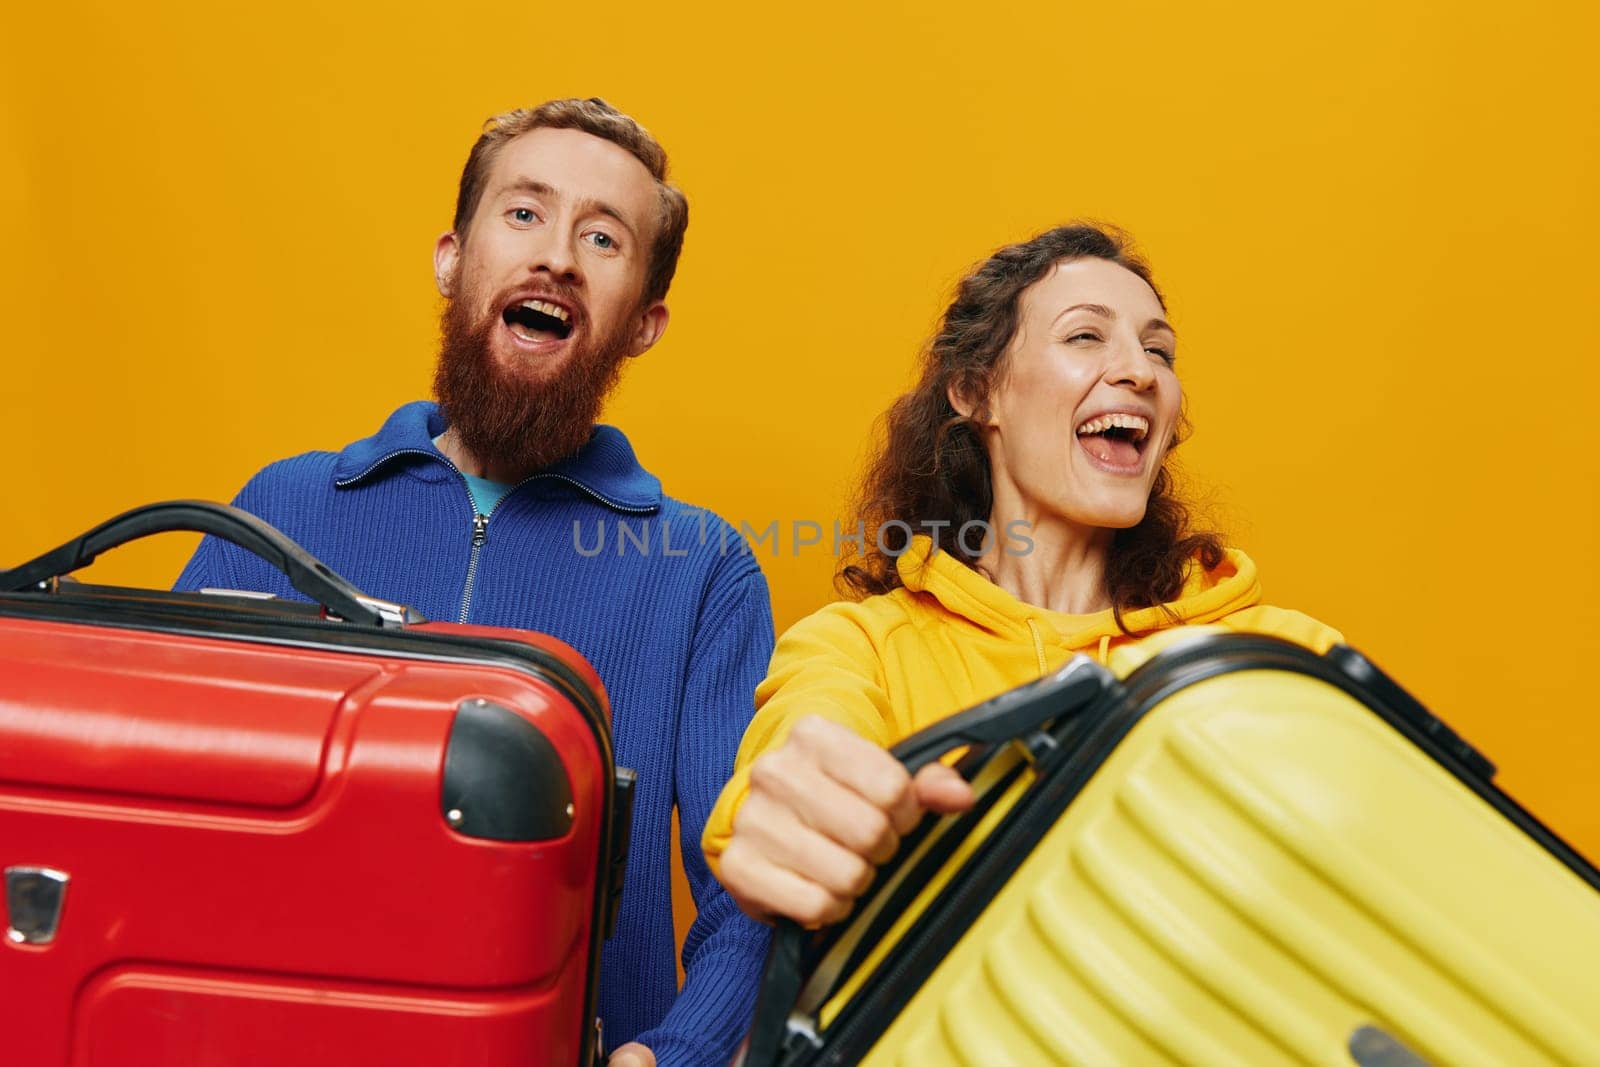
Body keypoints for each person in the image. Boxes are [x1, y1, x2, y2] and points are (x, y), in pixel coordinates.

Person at [176, 99, 773, 1067]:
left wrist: (676, 1052)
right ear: (452, 259)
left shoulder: (701, 571)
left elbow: (750, 882)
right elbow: (157, 802)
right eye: (525, 213)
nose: (558, 258)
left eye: (604, 238)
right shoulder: (278, 507)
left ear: (643, 326)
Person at [701, 223, 1342, 928]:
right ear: (979, 394)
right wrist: (800, 807)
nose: (1141, 371)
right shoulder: (861, 648)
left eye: (1158, 349)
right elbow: (804, 739)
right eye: (1086, 336)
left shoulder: (1275, 655)